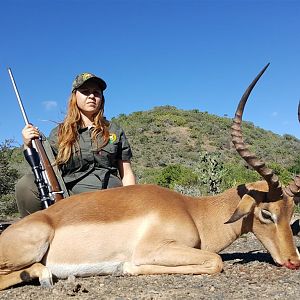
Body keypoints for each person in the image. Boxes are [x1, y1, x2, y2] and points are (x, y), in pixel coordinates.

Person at [15, 72, 136, 217]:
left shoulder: (114, 130)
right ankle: (32, 232)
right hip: (73, 199)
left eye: (96, 93)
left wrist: (132, 203)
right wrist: (28, 144)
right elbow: (43, 170)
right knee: (26, 183)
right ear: (75, 97)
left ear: (102, 98)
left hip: (113, 196)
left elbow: (126, 173)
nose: (91, 96)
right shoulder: (59, 133)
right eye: (85, 92)